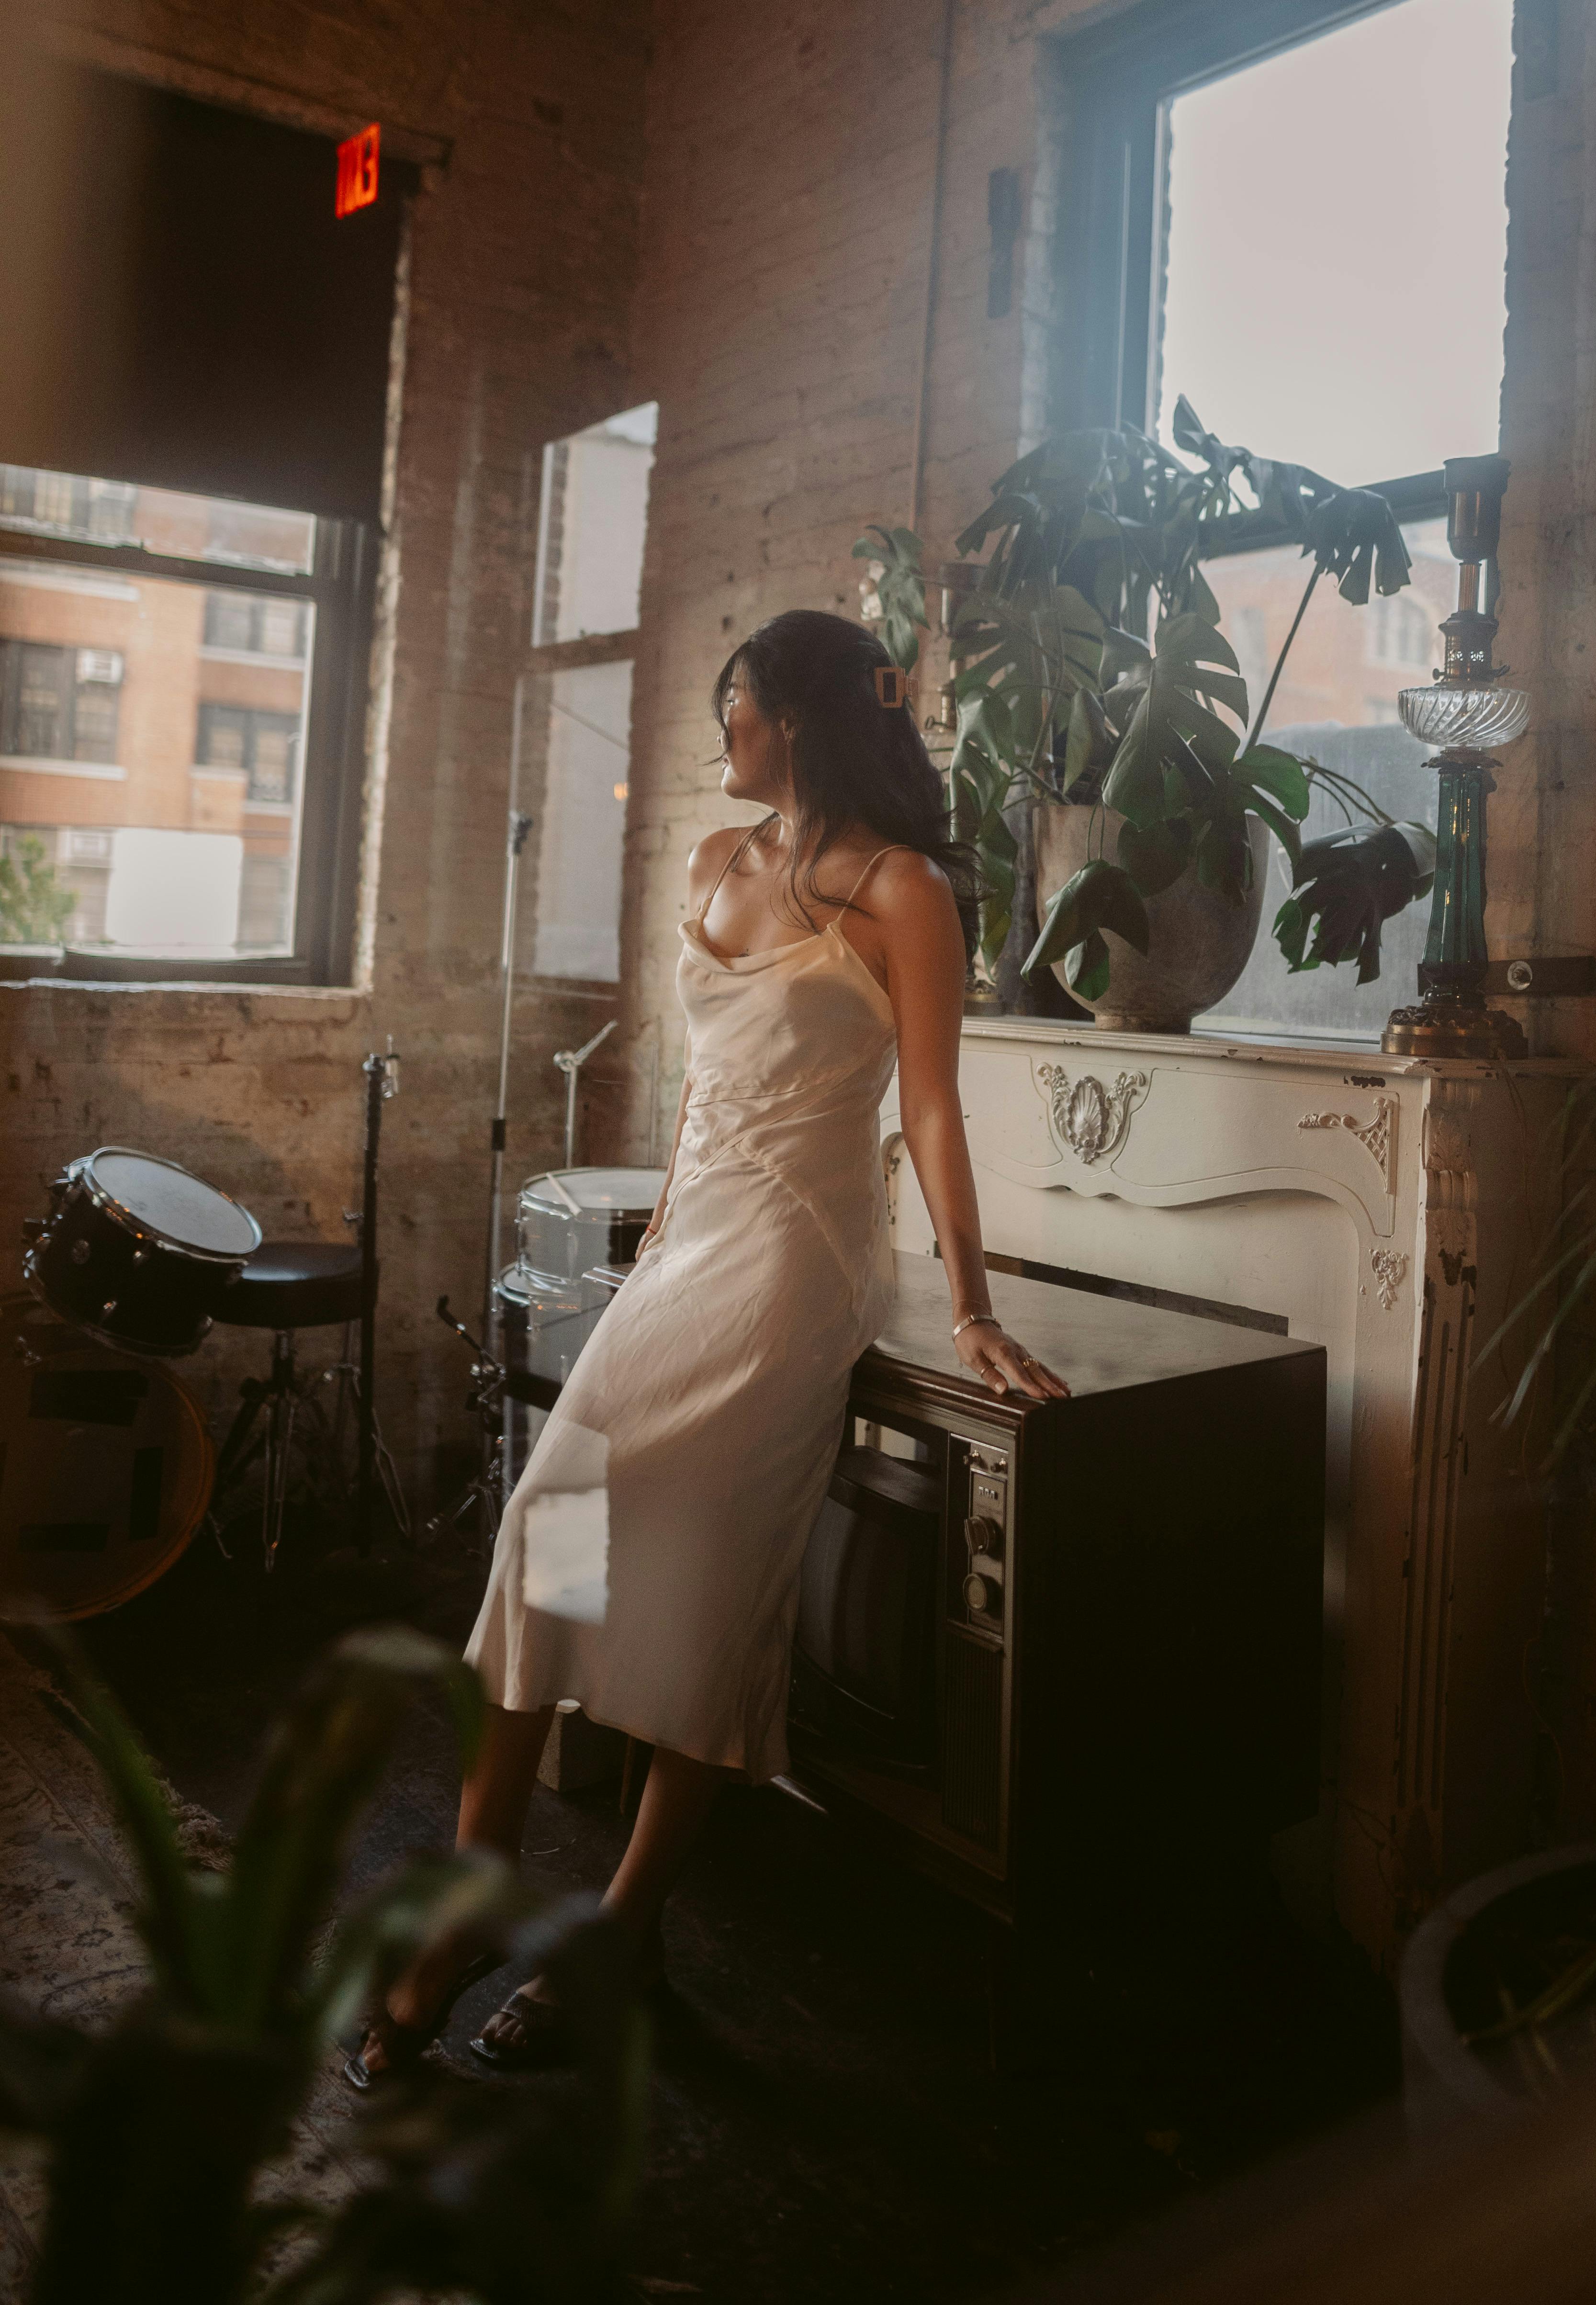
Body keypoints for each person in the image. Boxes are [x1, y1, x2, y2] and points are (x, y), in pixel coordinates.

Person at [348, 607, 1066, 2085]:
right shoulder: (715, 862)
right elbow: (699, 1084)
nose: (718, 732)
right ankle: (476, 1906)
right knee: (548, 1538)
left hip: (793, 1273)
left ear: (791, 717)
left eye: (733, 704)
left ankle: (622, 1932)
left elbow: (934, 1108)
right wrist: (656, 1241)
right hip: (686, 1257)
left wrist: (974, 1305)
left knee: (710, 1602)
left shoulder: (907, 891)